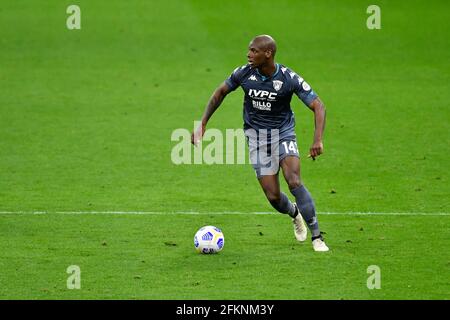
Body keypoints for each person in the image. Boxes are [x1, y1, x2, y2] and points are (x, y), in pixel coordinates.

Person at [191, 35, 329, 252]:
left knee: (293, 181)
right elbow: (220, 93)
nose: (249, 54)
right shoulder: (244, 73)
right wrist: (203, 123)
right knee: (273, 197)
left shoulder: (287, 78)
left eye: (254, 51)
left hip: (283, 133)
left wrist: (317, 139)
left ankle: (317, 237)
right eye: (249, 50)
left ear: (268, 54)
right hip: (257, 138)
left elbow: (318, 105)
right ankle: (294, 213)